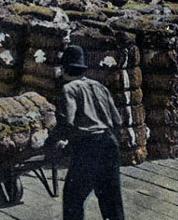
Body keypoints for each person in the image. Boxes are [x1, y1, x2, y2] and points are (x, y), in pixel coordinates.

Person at [46, 45, 124, 220]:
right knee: (111, 200)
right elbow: (117, 120)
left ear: (64, 69)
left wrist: (52, 140)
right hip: (109, 145)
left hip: (89, 148)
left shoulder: (69, 89)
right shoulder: (99, 87)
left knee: (73, 198)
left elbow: (67, 122)